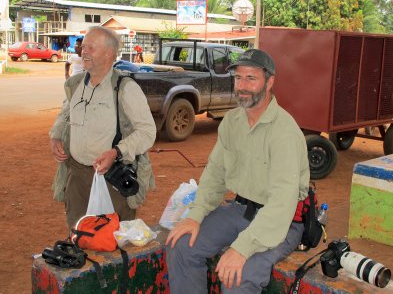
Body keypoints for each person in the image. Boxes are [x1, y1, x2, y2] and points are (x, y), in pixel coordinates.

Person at [166, 49, 310, 293]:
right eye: (238, 78)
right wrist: (195, 215)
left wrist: (242, 248)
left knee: (238, 275)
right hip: (241, 209)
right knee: (179, 246)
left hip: (282, 220)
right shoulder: (232, 122)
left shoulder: (284, 132)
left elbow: (281, 205)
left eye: (251, 79)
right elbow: (214, 175)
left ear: (270, 81)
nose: (242, 86)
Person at [49, 26, 156, 229]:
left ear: (109, 53)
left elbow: (147, 131)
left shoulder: (124, 88)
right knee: (79, 234)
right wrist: (55, 136)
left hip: (112, 179)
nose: (83, 51)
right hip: (77, 176)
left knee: (113, 239)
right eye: (83, 46)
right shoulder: (75, 84)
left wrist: (117, 152)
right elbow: (65, 114)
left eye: (91, 47)